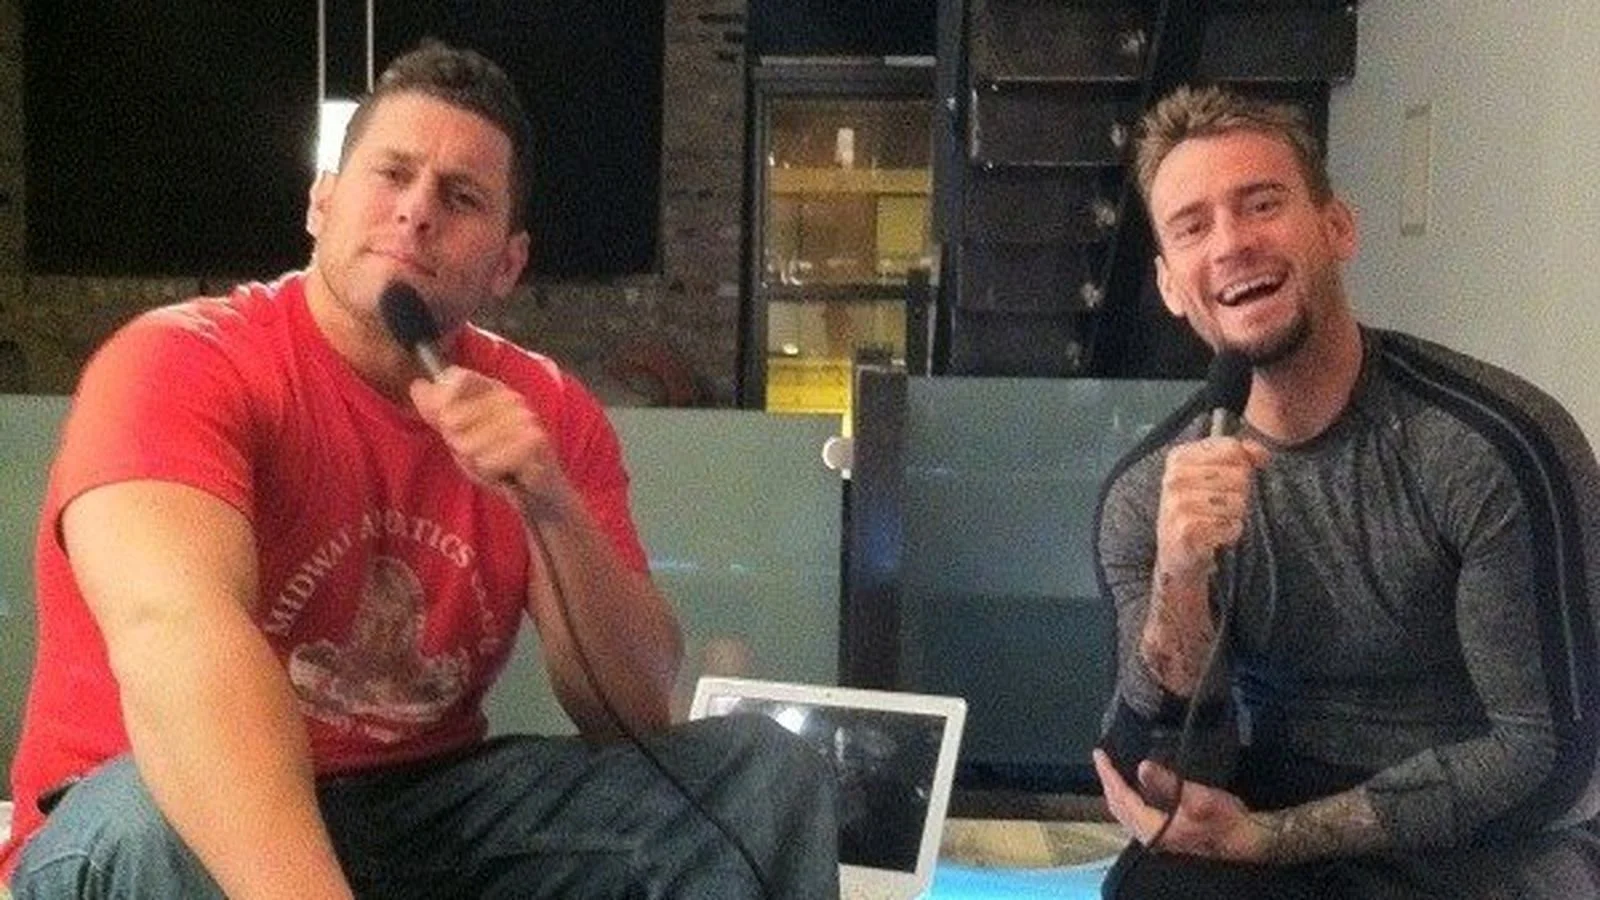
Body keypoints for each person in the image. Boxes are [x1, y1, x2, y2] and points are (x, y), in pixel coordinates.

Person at [2, 41, 838, 898]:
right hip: (151, 812)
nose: (416, 212)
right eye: (392, 174)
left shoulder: (543, 411)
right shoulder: (181, 363)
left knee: (760, 779)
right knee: (165, 820)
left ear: (508, 262)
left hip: (415, 811)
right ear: (322, 203)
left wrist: (549, 504)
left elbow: (629, 713)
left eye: (461, 197)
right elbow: (177, 639)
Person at [1091, 84, 1600, 899]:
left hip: (1494, 836)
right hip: (1280, 798)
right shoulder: (1149, 492)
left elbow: (1552, 760)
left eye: (1261, 204)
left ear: (1336, 228)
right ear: (1171, 286)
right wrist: (1178, 579)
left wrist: (1270, 839)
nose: (1232, 244)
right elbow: (1163, 777)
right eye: (1192, 227)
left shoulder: (1491, 447)